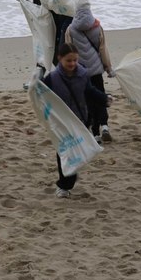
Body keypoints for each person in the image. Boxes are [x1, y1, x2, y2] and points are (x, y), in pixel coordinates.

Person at [43, 43, 110, 198]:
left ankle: (69, 177)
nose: (72, 64)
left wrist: (104, 99)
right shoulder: (52, 79)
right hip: (62, 124)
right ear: (59, 59)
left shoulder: (83, 74)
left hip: (81, 120)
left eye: (75, 60)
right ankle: (64, 186)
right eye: (68, 61)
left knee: (77, 152)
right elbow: (42, 96)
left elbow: (90, 92)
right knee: (64, 152)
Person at [64, 0, 115, 143]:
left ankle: (95, 133)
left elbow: (68, 51)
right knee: (100, 97)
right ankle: (105, 125)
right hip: (96, 70)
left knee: (87, 101)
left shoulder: (71, 29)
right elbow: (103, 49)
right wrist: (109, 68)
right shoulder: (97, 27)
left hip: (81, 72)